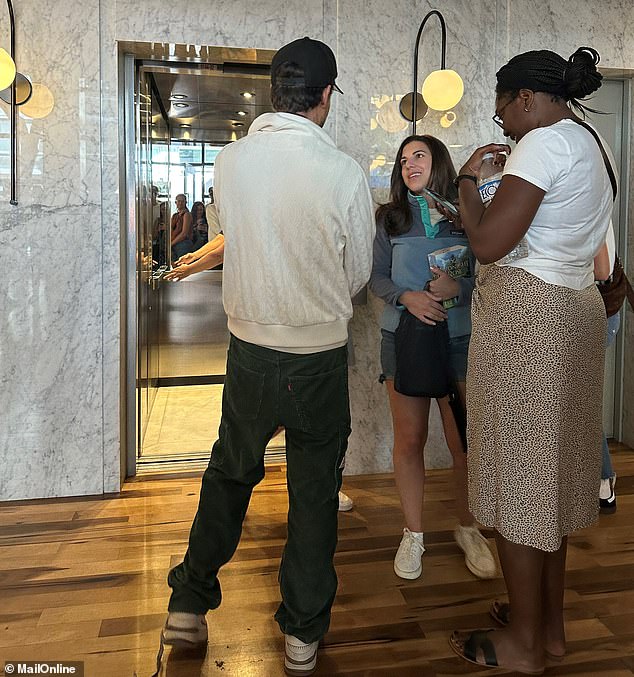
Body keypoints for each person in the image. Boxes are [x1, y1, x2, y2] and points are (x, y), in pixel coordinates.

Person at [160, 37, 374, 676]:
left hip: (250, 350)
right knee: (313, 495)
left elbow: (230, 233)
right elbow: (358, 274)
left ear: (273, 93)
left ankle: (188, 604)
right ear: (327, 95)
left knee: (229, 475)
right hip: (318, 355)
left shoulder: (231, 162)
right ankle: (302, 636)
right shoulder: (341, 172)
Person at [449, 47, 612, 674]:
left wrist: (467, 182)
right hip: (574, 307)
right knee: (553, 477)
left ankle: (521, 648)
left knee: (522, 481)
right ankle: (547, 629)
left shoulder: (542, 143)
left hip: (528, 318)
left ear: (523, 99)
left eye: (501, 111)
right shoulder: (593, 142)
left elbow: (489, 243)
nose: (501, 127)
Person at [369, 135, 497, 582]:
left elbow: (491, 274)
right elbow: (376, 278)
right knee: (410, 439)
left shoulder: (468, 218)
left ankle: (468, 529)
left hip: (460, 340)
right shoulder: (390, 218)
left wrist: (456, 290)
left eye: (418, 156)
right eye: (403, 160)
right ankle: (414, 533)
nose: (409, 165)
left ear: (438, 162)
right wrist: (408, 297)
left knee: (464, 441)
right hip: (401, 339)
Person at [165, 242, 357, 514]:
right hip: (282, 335)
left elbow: (224, 245)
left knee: (295, 430)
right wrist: (194, 260)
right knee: (272, 430)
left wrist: (191, 266)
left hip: (312, 334)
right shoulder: (241, 204)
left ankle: (324, 489)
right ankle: (314, 490)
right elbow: (225, 241)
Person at [170, 194, 195, 261]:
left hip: (183, 243)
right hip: (174, 243)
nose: (180, 203)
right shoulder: (175, 215)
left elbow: (184, 233)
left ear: (185, 202)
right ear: (176, 202)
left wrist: (171, 244)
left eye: (182, 201)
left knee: (182, 265)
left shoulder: (187, 214)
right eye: (179, 201)